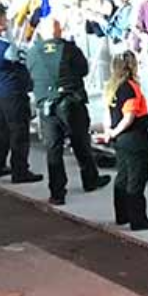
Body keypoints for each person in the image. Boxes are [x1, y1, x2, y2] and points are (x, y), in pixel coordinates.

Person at [26, 15, 110, 204]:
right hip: (71, 102)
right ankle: (90, 179)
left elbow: (29, 73)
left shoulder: (33, 53)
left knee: (53, 148)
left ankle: (57, 192)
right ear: (59, 30)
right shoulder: (70, 49)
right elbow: (83, 70)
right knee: (80, 142)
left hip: (46, 105)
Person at [0, 5, 41, 183]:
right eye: (5, 19)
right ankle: (20, 170)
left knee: (1, 131)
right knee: (19, 133)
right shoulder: (4, 46)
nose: (8, 22)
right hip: (13, 92)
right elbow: (24, 59)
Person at [100, 51, 148, 231]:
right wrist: (113, 132)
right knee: (137, 179)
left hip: (120, 140)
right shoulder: (131, 87)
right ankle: (138, 219)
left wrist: (109, 132)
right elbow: (129, 117)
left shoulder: (111, 86)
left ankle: (122, 214)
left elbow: (107, 113)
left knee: (123, 176)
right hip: (135, 138)